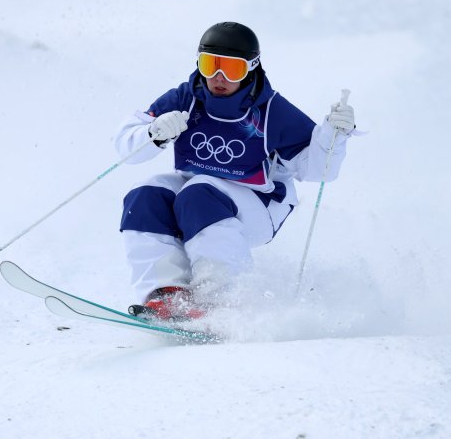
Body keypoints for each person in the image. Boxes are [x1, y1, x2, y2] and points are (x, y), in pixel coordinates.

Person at [112, 22, 355, 321]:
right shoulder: (186, 99)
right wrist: (153, 133)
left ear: (251, 68)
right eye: (210, 65)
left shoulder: (271, 111)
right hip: (196, 196)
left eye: (232, 69)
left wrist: (334, 136)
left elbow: (319, 170)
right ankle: (167, 294)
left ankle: (221, 301)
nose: (219, 77)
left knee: (200, 192)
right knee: (146, 194)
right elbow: (126, 146)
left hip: (260, 206)